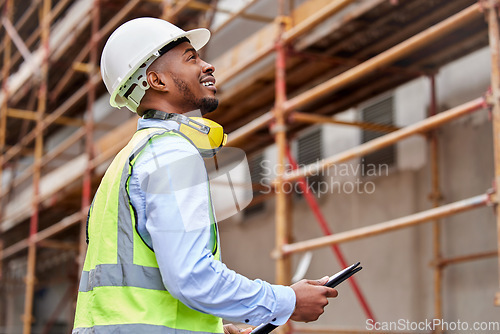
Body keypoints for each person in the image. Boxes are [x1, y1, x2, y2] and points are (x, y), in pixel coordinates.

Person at [72, 17, 338, 334]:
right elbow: (191, 277)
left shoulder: (130, 159)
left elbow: (142, 291)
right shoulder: (170, 154)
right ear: (157, 81)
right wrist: (287, 301)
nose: (208, 65)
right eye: (191, 58)